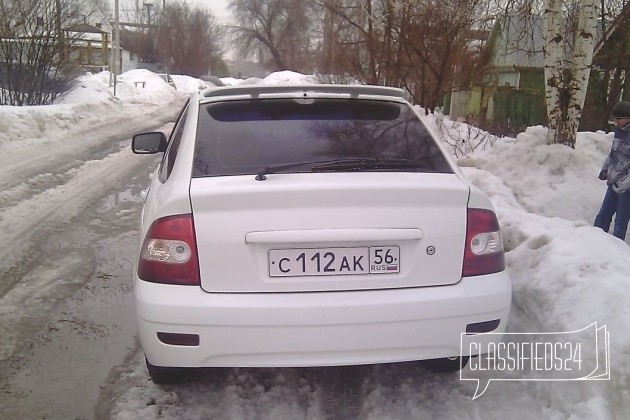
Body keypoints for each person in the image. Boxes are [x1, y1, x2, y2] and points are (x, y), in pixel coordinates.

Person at [594, 100, 630, 240]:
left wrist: (625, 183)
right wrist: (605, 170)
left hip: (626, 189)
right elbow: (613, 155)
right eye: (615, 119)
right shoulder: (619, 133)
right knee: (602, 216)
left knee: (620, 222)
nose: (616, 122)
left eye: (619, 119)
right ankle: (592, 242)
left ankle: (615, 254)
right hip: (613, 183)